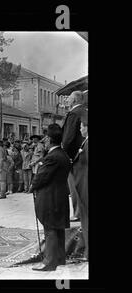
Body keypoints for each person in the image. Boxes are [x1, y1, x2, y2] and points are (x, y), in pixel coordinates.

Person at [30, 124, 72, 271]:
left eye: (46, 138)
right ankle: (60, 259)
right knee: (58, 228)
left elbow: (41, 177)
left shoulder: (52, 157)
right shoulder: (63, 154)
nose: (44, 141)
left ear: (49, 139)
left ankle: (50, 262)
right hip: (60, 196)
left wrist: (32, 186)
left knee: (50, 229)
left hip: (50, 198)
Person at [62, 90, 87, 222]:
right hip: (84, 152)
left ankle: (77, 213)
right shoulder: (85, 111)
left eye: (69, 98)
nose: (67, 100)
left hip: (74, 156)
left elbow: (68, 137)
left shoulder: (73, 113)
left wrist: (63, 152)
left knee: (74, 186)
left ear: (75, 100)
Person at [71, 109, 89, 260]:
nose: (80, 129)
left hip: (86, 189)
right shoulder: (85, 141)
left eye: (82, 126)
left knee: (87, 221)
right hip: (82, 187)